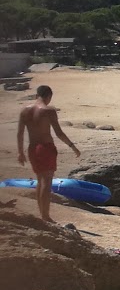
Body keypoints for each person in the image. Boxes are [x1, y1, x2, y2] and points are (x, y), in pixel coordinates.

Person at [15, 85, 81, 222]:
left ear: (36, 95)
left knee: (40, 180)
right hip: (45, 148)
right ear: (49, 96)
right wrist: (72, 146)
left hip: (32, 148)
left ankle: (42, 214)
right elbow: (59, 133)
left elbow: (20, 133)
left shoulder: (24, 111)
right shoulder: (48, 110)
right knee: (47, 181)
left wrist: (20, 152)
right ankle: (46, 216)